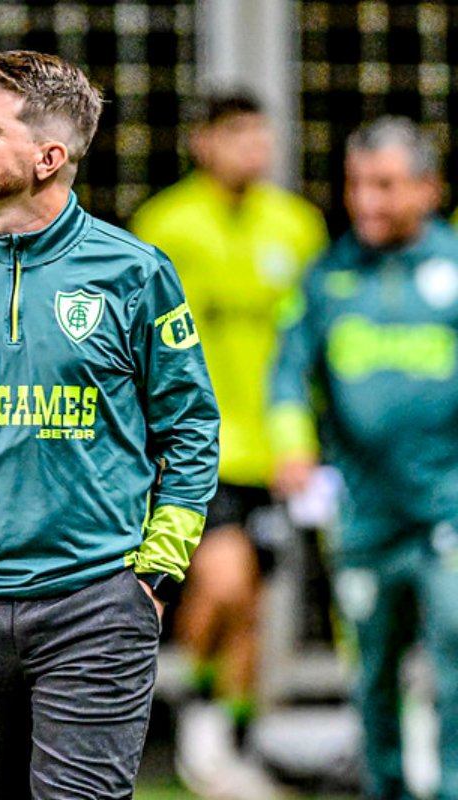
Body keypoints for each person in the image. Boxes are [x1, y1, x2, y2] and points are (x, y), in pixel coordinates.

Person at [0, 50, 220, 799]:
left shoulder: (134, 273)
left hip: (94, 603)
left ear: (48, 158)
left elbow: (192, 428)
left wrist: (153, 575)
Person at [130, 92, 329, 797]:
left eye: (262, 134)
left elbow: (311, 340)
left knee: (251, 603)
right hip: (194, 446)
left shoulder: (296, 226)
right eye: (239, 134)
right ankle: (196, 712)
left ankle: (229, 732)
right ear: (204, 143)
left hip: (273, 452)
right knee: (221, 581)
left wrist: (308, 434)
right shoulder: (167, 225)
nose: (256, 148)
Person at [270, 116, 458, 800]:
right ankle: (386, 788)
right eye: (357, 185)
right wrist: (293, 444)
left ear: (429, 189)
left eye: (385, 185)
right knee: (373, 672)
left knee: (456, 654)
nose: (367, 201)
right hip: (363, 516)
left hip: (447, 506)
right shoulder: (329, 276)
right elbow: (288, 371)